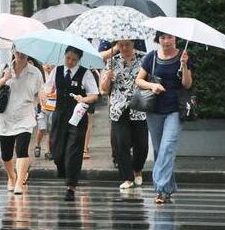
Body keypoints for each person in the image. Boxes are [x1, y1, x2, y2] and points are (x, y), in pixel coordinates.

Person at [135, 31, 193, 204]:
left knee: (168, 148)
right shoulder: (151, 57)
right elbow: (139, 80)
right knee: (160, 150)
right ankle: (168, 190)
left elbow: (187, 84)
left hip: (175, 109)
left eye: (170, 37)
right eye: (162, 37)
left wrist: (184, 66)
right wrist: (153, 85)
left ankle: (160, 188)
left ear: (175, 38)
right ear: (158, 40)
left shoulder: (184, 56)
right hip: (154, 110)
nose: (166, 41)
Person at [44, 46, 99, 201]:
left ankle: (71, 187)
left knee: (73, 151)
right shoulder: (57, 70)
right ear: (64, 56)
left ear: (79, 60)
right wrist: (47, 94)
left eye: (74, 59)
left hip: (77, 115)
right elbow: (47, 88)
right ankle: (63, 170)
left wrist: (84, 99)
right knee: (57, 151)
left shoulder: (85, 73)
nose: (70, 62)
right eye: (68, 58)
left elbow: (94, 95)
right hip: (59, 114)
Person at [0, 50, 43, 194]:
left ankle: (19, 182)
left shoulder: (35, 72)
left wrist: (40, 103)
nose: (20, 54)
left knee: (22, 150)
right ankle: (11, 177)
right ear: (13, 51)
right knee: (6, 154)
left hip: (25, 116)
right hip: (5, 117)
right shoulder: (3, 68)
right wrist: (5, 78)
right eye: (17, 50)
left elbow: (39, 93)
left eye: (24, 51)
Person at [101, 40, 148, 190]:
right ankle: (127, 177)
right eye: (121, 45)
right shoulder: (111, 61)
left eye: (127, 44)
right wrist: (108, 77)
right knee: (121, 143)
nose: (124, 48)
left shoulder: (144, 59)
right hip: (119, 107)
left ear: (133, 44)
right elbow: (103, 90)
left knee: (142, 145)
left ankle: (137, 168)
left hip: (138, 106)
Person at [34, 64, 55, 160]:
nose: (49, 66)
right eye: (47, 64)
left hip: (54, 107)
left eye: (51, 64)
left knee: (50, 130)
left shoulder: (57, 75)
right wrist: (41, 105)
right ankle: (37, 145)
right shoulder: (41, 76)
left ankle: (48, 151)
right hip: (43, 107)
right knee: (42, 128)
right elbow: (38, 92)